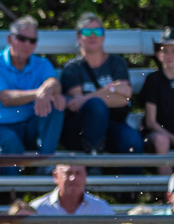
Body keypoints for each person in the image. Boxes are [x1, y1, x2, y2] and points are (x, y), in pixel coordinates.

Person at [0, 16, 65, 173]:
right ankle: (12, 195)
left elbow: (55, 84)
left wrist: (49, 88)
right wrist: (40, 92)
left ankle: (45, 168)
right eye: (22, 38)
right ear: (9, 39)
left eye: (32, 41)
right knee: (11, 142)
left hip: (31, 127)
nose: (27, 44)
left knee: (57, 103)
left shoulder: (42, 63)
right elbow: (6, 98)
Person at [60, 13, 143, 161]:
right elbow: (77, 105)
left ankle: (133, 183)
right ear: (79, 37)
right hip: (81, 130)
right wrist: (112, 89)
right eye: (87, 32)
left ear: (104, 37)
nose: (93, 36)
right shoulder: (72, 68)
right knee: (96, 107)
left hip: (113, 123)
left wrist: (93, 96)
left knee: (133, 141)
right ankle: (93, 165)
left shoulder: (117, 63)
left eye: (98, 32)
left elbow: (124, 99)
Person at [139, 28, 174, 175]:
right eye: (165, 51)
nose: (169, 55)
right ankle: (166, 191)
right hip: (155, 136)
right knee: (162, 140)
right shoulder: (153, 80)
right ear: (159, 55)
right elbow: (151, 122)